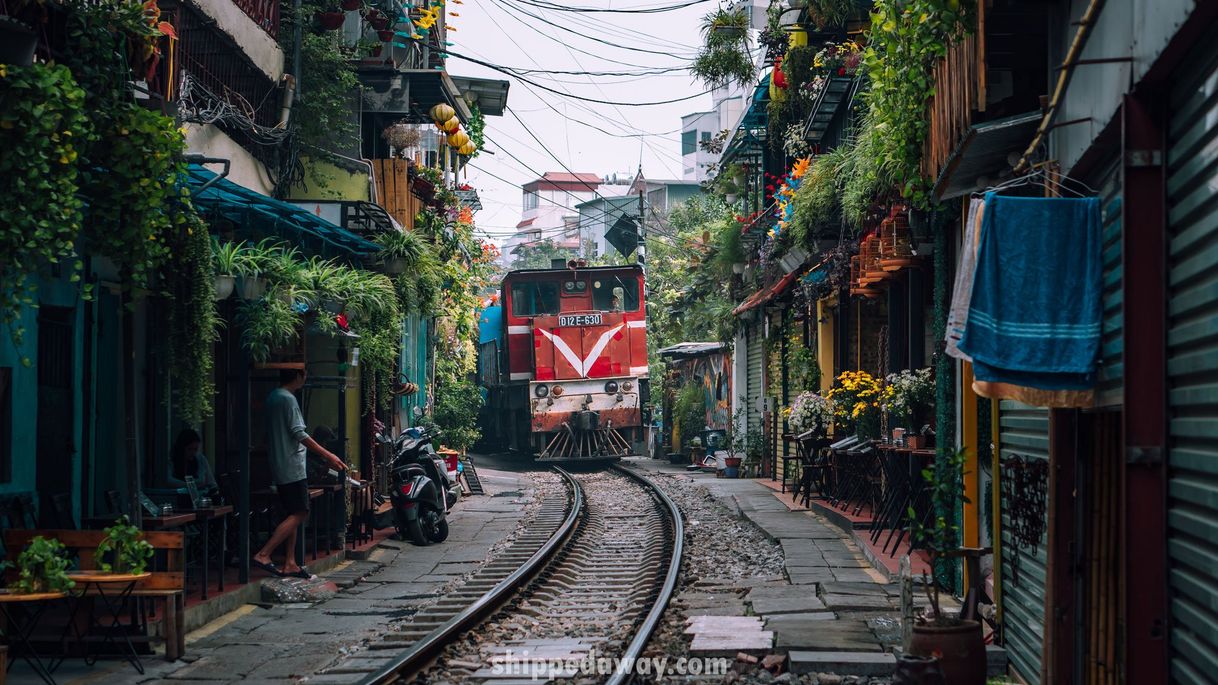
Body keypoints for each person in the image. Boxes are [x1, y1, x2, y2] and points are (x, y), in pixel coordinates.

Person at [252, 368, 346, 579]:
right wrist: (329, 455)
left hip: (279, 463)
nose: (306, 377)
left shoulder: (273, 397)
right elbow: (298, 433)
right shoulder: (288, 400)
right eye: (304, 374)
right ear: (298, 376)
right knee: (301, 512)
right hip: (292, 466)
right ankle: (264, 553)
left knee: (292, 513)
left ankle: (290, 562)